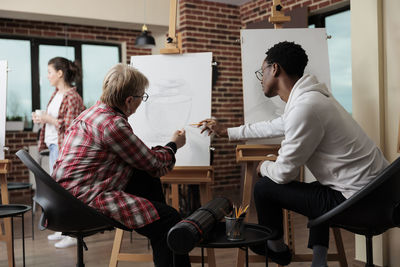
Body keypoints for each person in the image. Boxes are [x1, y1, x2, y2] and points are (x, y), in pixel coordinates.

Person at [198, 41, 388, 267]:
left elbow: (284, 174)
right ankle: (319, 260)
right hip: (380, 193)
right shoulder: (312, 98)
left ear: (275, 69)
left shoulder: (305, 107)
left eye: (262, 71)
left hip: (361, 203)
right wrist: (226, 131)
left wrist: (263, 166)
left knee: (265, 187)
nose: (261, 78)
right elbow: (274, 126)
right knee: (317, 189)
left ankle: (276, 249)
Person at [52, 63, 191, 267]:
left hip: (63, 196)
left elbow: (144, 162)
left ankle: (158, 227)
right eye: (141, 98)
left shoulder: (92, 112)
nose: (140, 102)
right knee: (170, 220)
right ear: (128, 100)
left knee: (144, 176)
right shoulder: (112, 124)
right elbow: (155, 164)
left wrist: (153, 157)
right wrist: (173, 145)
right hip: (84, 200)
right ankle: (164, 229)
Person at [32, 56, 85, 249]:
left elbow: (71, 126)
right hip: (55, 146)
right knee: (59, 190)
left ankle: (72, 233)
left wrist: (49, 119)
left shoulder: (72, 96)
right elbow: (55, 120)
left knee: (66, 190)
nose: (47, 76)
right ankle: (64, 229)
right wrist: (43, 119)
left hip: (65, 149)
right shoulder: (56, 94)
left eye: (49, 72)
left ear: (60, 73)